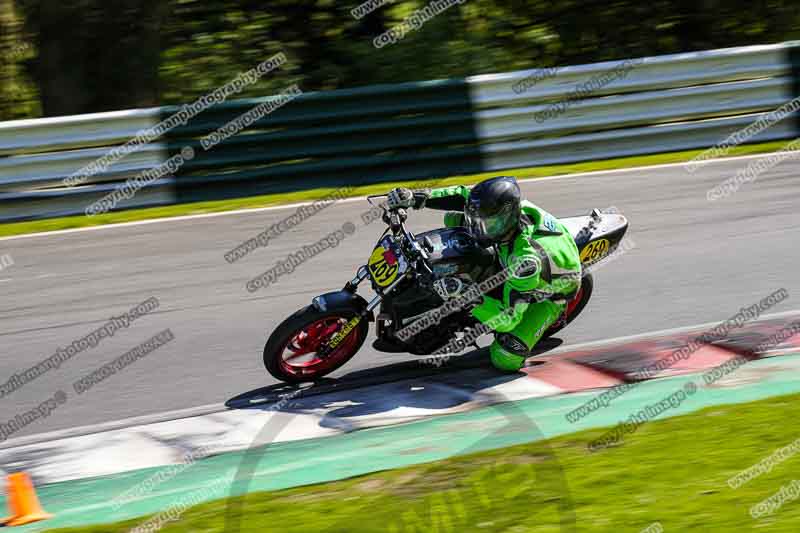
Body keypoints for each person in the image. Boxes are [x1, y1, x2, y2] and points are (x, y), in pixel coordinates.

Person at [387, 176, 582, 371]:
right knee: (453, 220)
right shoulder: (501, 211)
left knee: (504, 357)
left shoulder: (525, 262)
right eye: (478, 221)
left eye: (489, 224)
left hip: (548, 293)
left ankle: (549, 316)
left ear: (508, 217)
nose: (478, 229)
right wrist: (415, 197)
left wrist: (464, 292)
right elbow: (463, 195)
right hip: (516, 254)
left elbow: (508, 319)